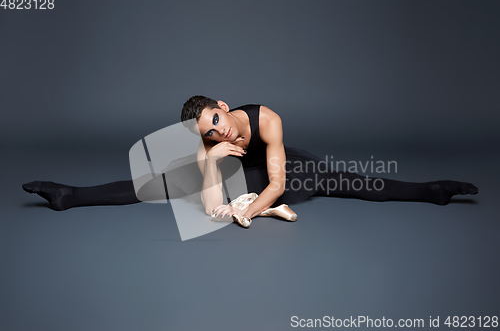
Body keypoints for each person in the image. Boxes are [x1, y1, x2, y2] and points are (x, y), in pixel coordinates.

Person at [22, 95, 479, 227]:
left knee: (347, 181)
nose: (220, 131)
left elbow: (276, 186)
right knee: (163, 181)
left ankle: (432, 190)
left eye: (217, 120)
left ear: (223, 103)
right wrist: (209, 160)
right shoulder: (211, 142)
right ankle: (69, 196)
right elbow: (206, 205)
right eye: (209, 132)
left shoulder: (268, 120)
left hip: (285, 172)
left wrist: (245, 211)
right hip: (238, 174)